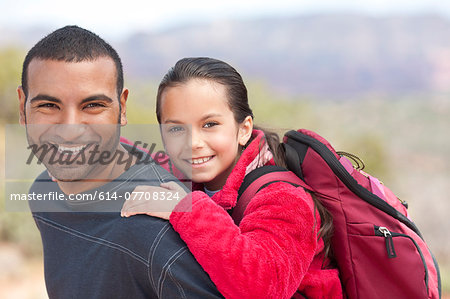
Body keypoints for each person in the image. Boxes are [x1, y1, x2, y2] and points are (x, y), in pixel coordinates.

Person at [18, 26, 223, 298]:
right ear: (22, 107)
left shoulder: (156, 229)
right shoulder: (43, 191)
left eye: (92, 106)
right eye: (48, 106)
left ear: (122, 108)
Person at [121, 57, 343, 298]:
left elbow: (263, 287)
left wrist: (186, 208)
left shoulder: (285, 199)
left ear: (243, 129)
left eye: (210, 124)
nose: (192, 143)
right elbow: (142, 158)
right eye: (176, 129)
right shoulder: (191, 175)